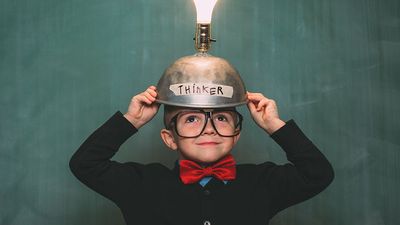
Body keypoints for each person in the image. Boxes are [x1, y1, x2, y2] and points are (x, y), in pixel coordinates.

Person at [69, 85, 334, 225]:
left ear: (236, 134)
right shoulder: (141, 184)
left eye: (220, 117)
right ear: (169, 138)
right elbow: (85, 164)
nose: (209, 128)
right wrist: (131, 120)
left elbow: (318, 174)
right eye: (192, 119)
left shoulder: (261, 182)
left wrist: (273, 125)